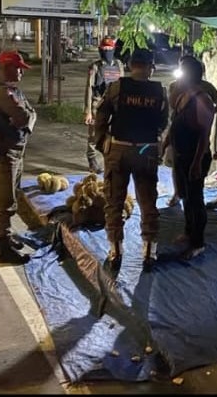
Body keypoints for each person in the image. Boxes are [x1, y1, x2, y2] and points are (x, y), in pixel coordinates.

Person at [94, 48, 168, 271]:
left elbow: (101, 116)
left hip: (119, 149)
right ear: (150, 67)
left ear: (130, 65)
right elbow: (163, 122)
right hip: (146, 151)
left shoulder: (116, 88)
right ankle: (149, 252)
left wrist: (101, 142)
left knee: (114, 201)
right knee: (148, 202)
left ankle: (116, 251)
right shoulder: (159, 92)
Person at [0, 50, 37, 265]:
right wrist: (27, 118)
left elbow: (30, 114)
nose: (22, 74)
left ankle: (0, 236)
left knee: (9, 193)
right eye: (18, 69)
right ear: (7, 68)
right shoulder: (2, 93)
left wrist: (28, 119)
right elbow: (24, 116)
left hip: (14, 151)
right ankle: (4, 248)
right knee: (6, 199)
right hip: (6, 153)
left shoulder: (12, 91)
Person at [168, 56, 215, 260]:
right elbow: (174, 123)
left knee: (196, 199)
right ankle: (189, 231)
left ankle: (198, 242)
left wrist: (196, 162)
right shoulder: (182, 96)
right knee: (186, 195)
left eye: (182, 72)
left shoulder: (203, 99)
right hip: (181, 154)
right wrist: (166, 144)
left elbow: (204, 135)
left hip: (196, 157)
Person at [166, 55, 217, 206]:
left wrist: (208, 113)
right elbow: (173, 110)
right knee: (178, 170)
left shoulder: (204, 90)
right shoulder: (176, 87)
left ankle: (194, 223)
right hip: (180, 140)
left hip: (196, 143)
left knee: (194, 189)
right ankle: (178, 194)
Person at [84, 36, 124, 173]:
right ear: (100, 50)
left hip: (115, 105)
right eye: (104, 48)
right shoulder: (95, 67)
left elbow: (123, 84)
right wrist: (88, 111)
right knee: (94, 134)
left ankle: (110, 158)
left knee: (114, 134)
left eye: (109, 48)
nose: (107, 51)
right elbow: (89, 88)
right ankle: (92, 160)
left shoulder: (119, 65)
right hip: (98, 103)